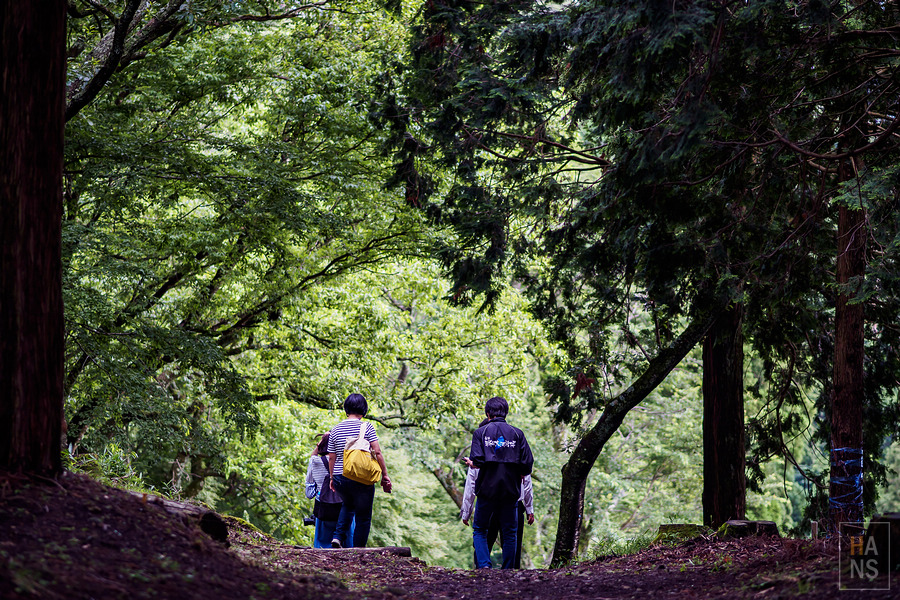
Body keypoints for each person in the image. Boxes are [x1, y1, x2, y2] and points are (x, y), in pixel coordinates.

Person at [469, 396, 534, 569]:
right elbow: (527, 463)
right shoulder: (517, 434)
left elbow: (477, 460)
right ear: (505, 413)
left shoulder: (480, 433)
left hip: (486, 489)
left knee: (480, 530)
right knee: (510, 532)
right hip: (510, 490)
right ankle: (508, 570)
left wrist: (473, 463)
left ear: (487, 413)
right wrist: (519, 472)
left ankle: (484, 567)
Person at [327, 393, 392, 548]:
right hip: (361, 476)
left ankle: (337, 537)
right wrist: (385, 475)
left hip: (340, 476)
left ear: (346, 409)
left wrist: (331, 478)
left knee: (348, 505)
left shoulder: (335, 429)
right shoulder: (367, 427)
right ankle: (358, 550)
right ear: (364, 410)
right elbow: (377, 452)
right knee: (363, 516)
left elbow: (331, 457)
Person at [460, 451, 534, 569]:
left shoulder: (481, 454)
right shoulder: (515, 453)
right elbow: (526, 481)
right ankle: (509, 571)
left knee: (484, 537)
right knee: (511, 537)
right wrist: (529, 508)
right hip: (511, 501)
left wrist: (466, 512)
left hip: (489, 501)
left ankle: (483, 568)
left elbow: (471, 485)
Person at [305, 433, 354, 548]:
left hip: (324, 509)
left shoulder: (315, 462)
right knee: (348, 542)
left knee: (322, 545)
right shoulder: (345, 461)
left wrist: (320, 444)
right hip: (343, 507)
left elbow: (309, 493)